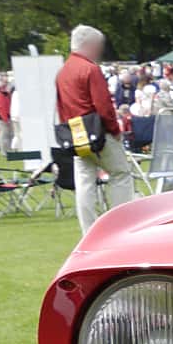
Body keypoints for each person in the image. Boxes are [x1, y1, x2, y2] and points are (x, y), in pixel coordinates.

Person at [56, 24, 137, 235]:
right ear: (91, 45)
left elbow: (61, 107)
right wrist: (115, 129)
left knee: (84, 181)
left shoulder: (63, 72)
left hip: (75, 134)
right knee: (120, 173)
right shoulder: (90, 69)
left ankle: (89, 230)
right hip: (97, 131)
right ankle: (121, 225)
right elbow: (103, 105)